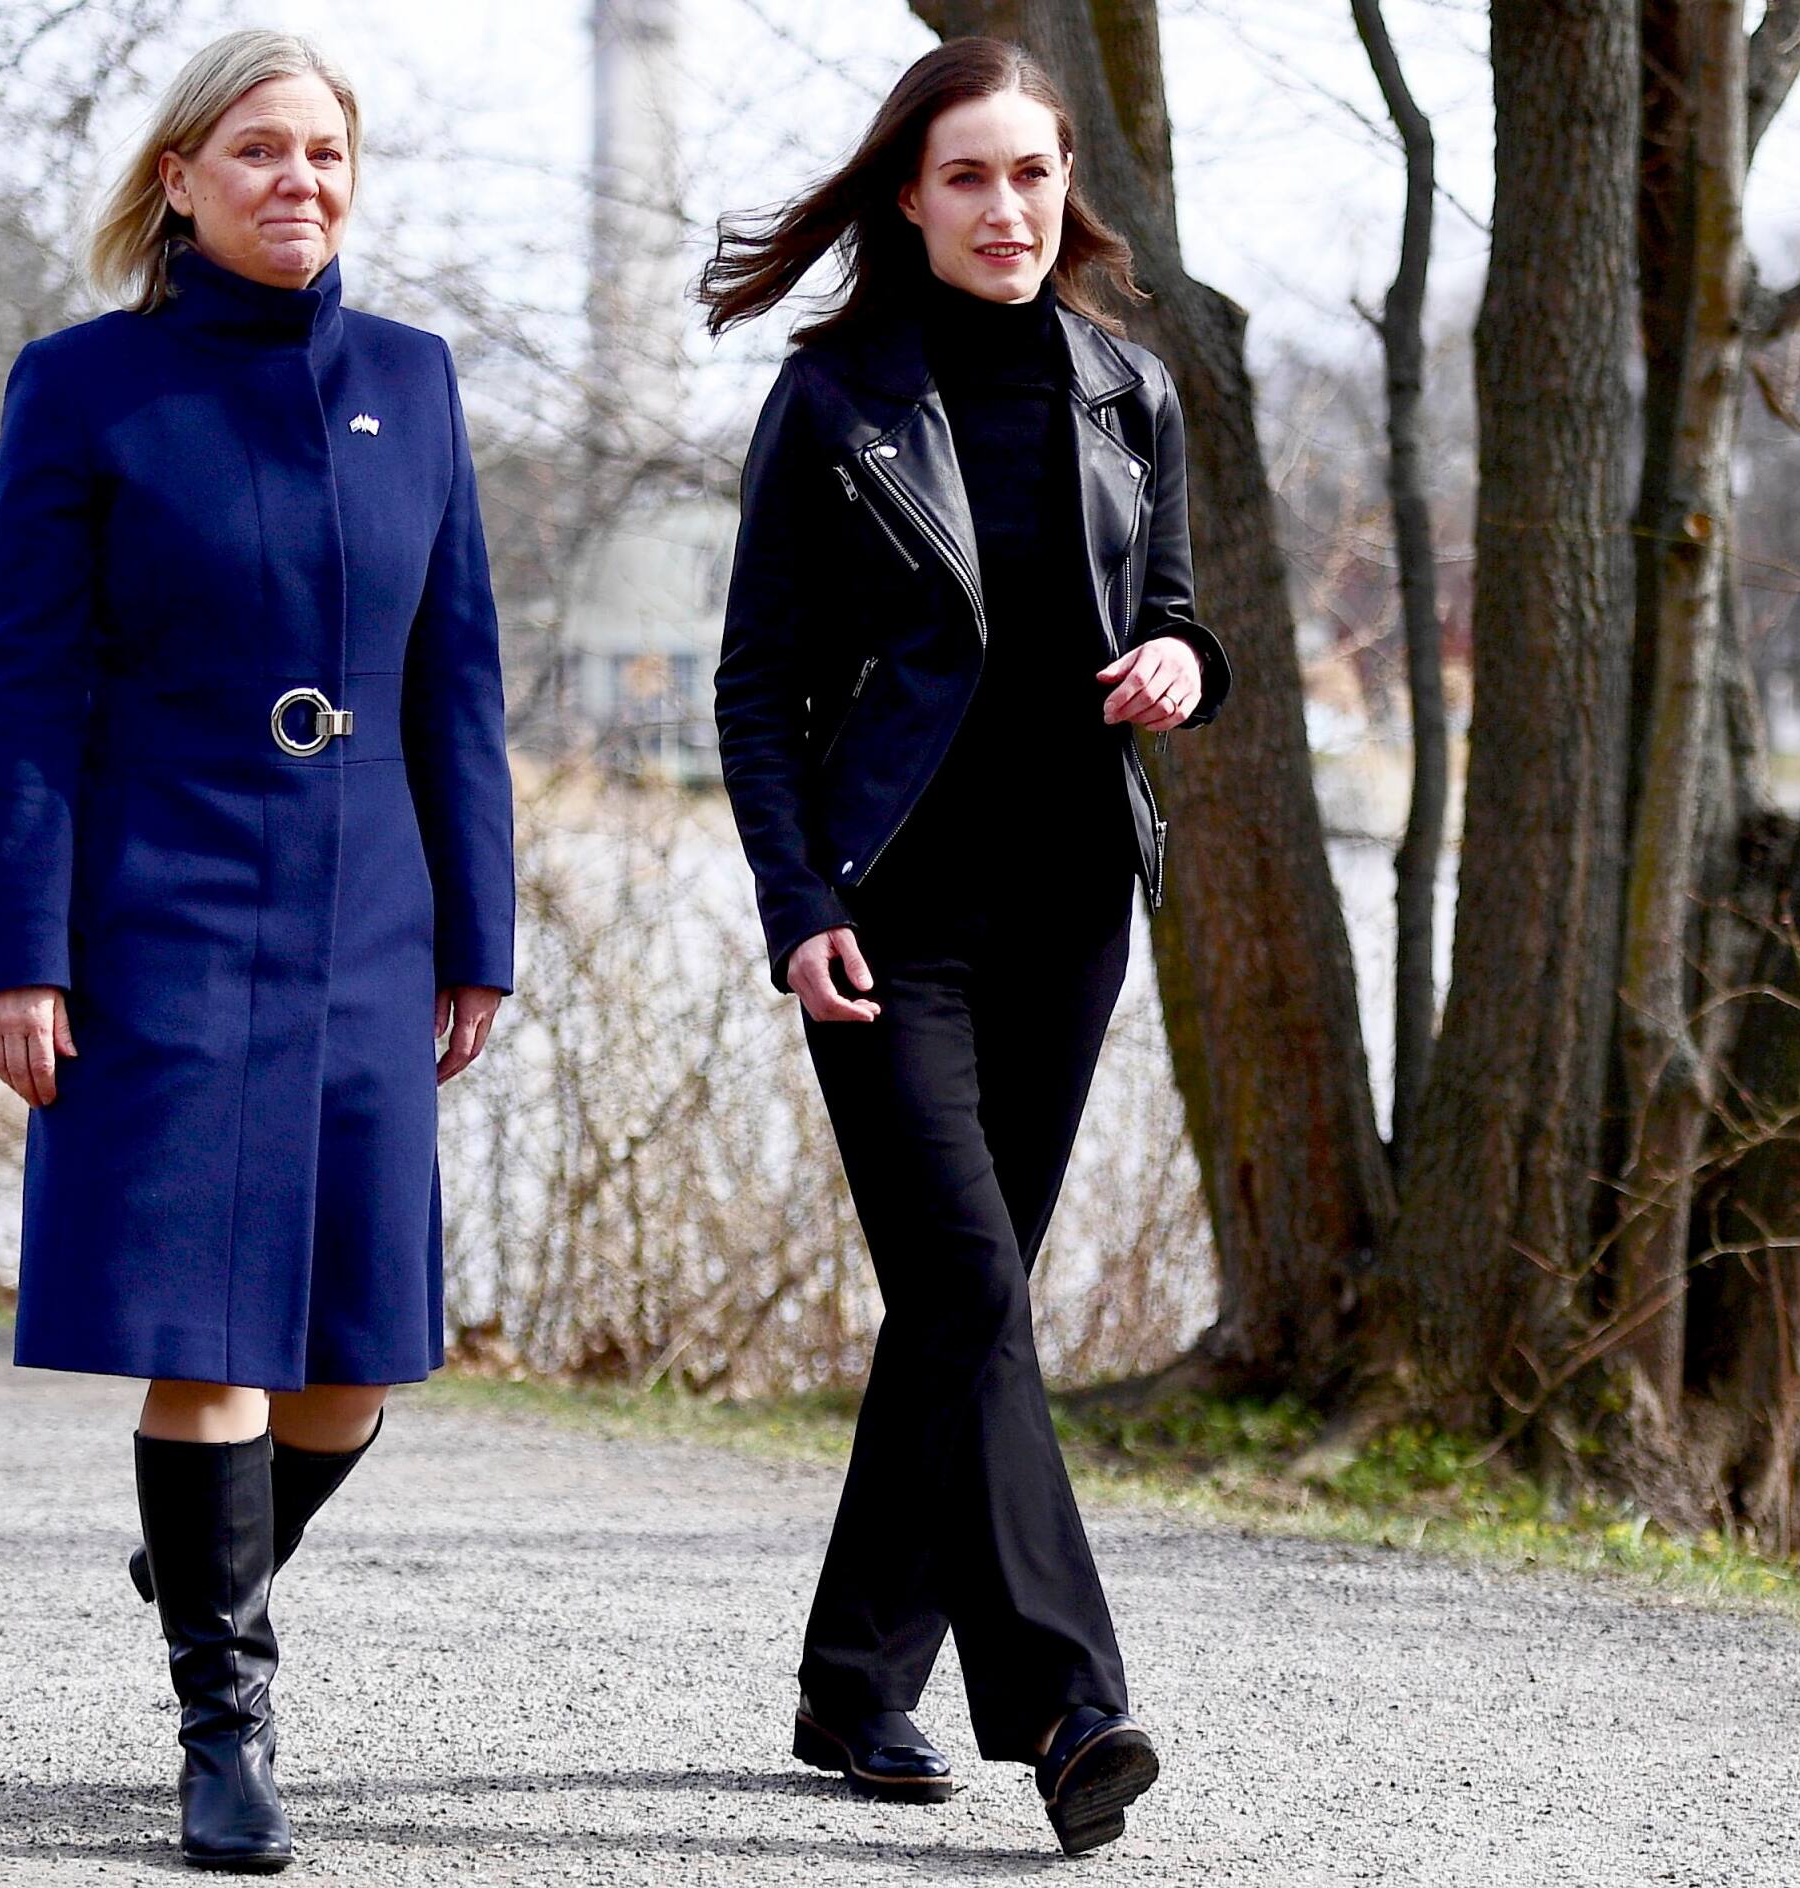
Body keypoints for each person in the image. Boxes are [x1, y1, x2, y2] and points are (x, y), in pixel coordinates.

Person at [0, 29, 513, 1874]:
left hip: (371, 911)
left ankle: (197, 1548)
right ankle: (228, 1728)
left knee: (355, 1361)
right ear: (181, 179)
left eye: (328, 152)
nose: (300, 179)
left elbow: (461, 679)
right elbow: (26, 692)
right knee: (209, 1341)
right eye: (259, 150)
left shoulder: (419, 386)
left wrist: (480, 934)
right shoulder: (83, 388)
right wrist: (16, 954)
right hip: (167, 905)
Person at [698, 35, 1231, 1859]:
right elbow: (759, 686)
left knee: (955, 1309)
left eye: (1034, 174)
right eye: (969, 179)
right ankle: (1072, 1701)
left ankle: (855, 1684)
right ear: (907, 200)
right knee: (976, 1286)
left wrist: (1187, 667)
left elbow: (1173, 619)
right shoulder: (836, 400)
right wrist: (799, 906)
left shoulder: (1126, 392)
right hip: (891, 914)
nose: (1009, 211)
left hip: (1075, 902)